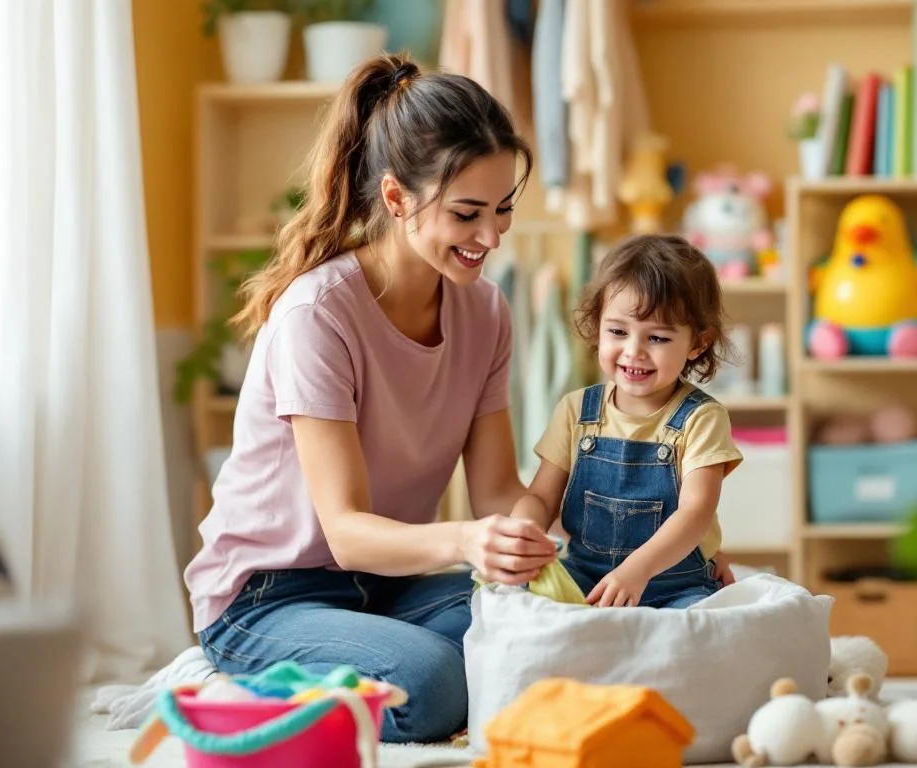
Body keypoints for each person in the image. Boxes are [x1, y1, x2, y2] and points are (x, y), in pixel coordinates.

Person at [181, 52, 560, 744]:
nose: (491, 237)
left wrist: (565, 541)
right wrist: (467, 540)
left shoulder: (486, 314)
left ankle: (375, 661)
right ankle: (241, 687)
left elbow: (499, 492)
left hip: (387, 586)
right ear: (396, 198)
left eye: (503, 209)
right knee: (436, 681)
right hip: (268, 597)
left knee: (546, 625)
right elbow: (347, 531)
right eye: (466, 213)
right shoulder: (318, 315)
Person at [511, 234, 744, 609]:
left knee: (694, 631)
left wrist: (638, 570)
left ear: (698, 343)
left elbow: (695, 513)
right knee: (531, 606)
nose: (634, 351)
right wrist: (522, 530)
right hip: (589, 578)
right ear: (597, 324)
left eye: (657, 337)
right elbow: (541, 497)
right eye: (618, 331)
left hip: (674, 586)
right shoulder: (575, 410)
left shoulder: (702, 418)